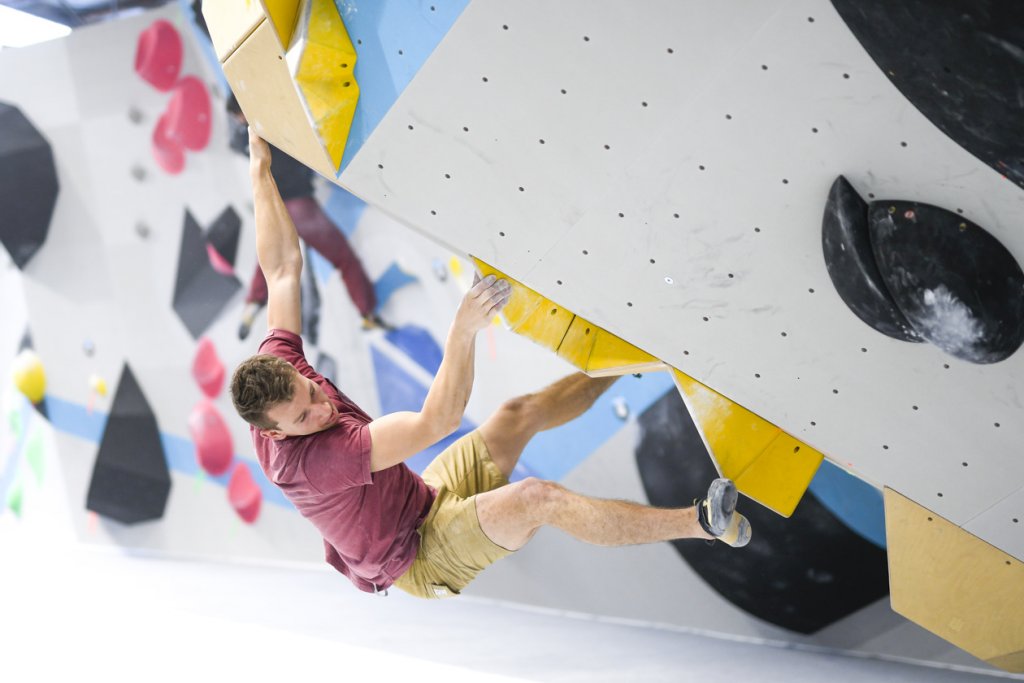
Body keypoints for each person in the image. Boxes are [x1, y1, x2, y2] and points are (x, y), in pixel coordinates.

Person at [230, 129, 752, 599]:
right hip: (418, 558)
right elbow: (438, 422)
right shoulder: (319, 461)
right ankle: (706, 522)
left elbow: (281, 269)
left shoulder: (277, 369)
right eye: (303, 418)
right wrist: (462, 331)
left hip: (421, 497)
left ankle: (642, 356)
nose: (321, 409)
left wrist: (259, 167)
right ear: (274, 435)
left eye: (313, 393)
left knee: (518, 413)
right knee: (536, 498)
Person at [225, 95, 385, 339]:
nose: (238, 120)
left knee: (270, 261)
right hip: (300, 207)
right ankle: (367, 313)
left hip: (275, 210)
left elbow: (236, 142)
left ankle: (254, 301)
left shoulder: (245, 141)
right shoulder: (272, 127)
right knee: (343, 258)